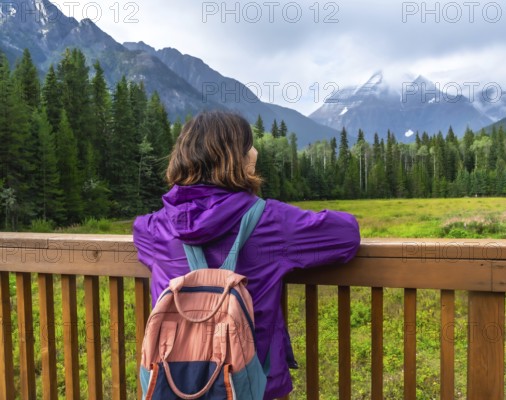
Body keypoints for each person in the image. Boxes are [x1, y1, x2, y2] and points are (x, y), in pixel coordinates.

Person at [133, 110, 360, 399]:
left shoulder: (153, 229)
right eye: (249, 146)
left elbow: (143, 235)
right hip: (253, 384)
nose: (255, 151)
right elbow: (347, 236)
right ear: (238, 159)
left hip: (174, 383)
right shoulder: (272, 221)